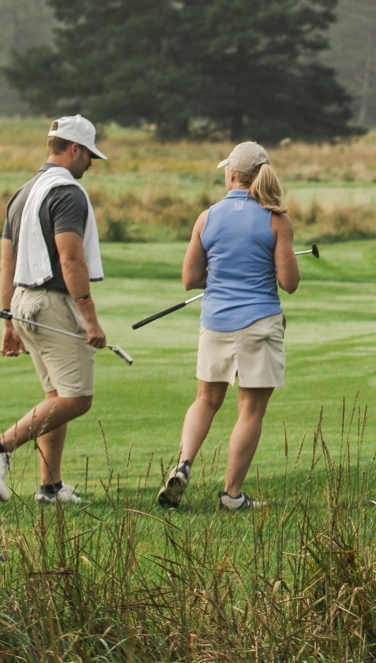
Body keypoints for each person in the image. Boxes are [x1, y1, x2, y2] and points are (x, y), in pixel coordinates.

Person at [0, 115, 111, 504]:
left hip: (22, 303)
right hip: (51, 305)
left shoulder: (23, 192)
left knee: (55, 396)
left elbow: (7, 263)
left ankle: (50, 487)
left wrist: (7, 321)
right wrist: (90, 318)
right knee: (78, 399)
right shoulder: (67, 193)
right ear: (74, 149)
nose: (90, 165)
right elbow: (70, 259)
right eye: (89, 157)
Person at [156, 139, 299, 512]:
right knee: (250, 410)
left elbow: (190, 278)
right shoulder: (277, 219)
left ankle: (184, 464)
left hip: (216, 321)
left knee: (206, 399)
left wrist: (218, 277)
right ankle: (232, 495)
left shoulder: (207, 217)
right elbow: (290, 282)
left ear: (233, 175)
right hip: (259, 323)